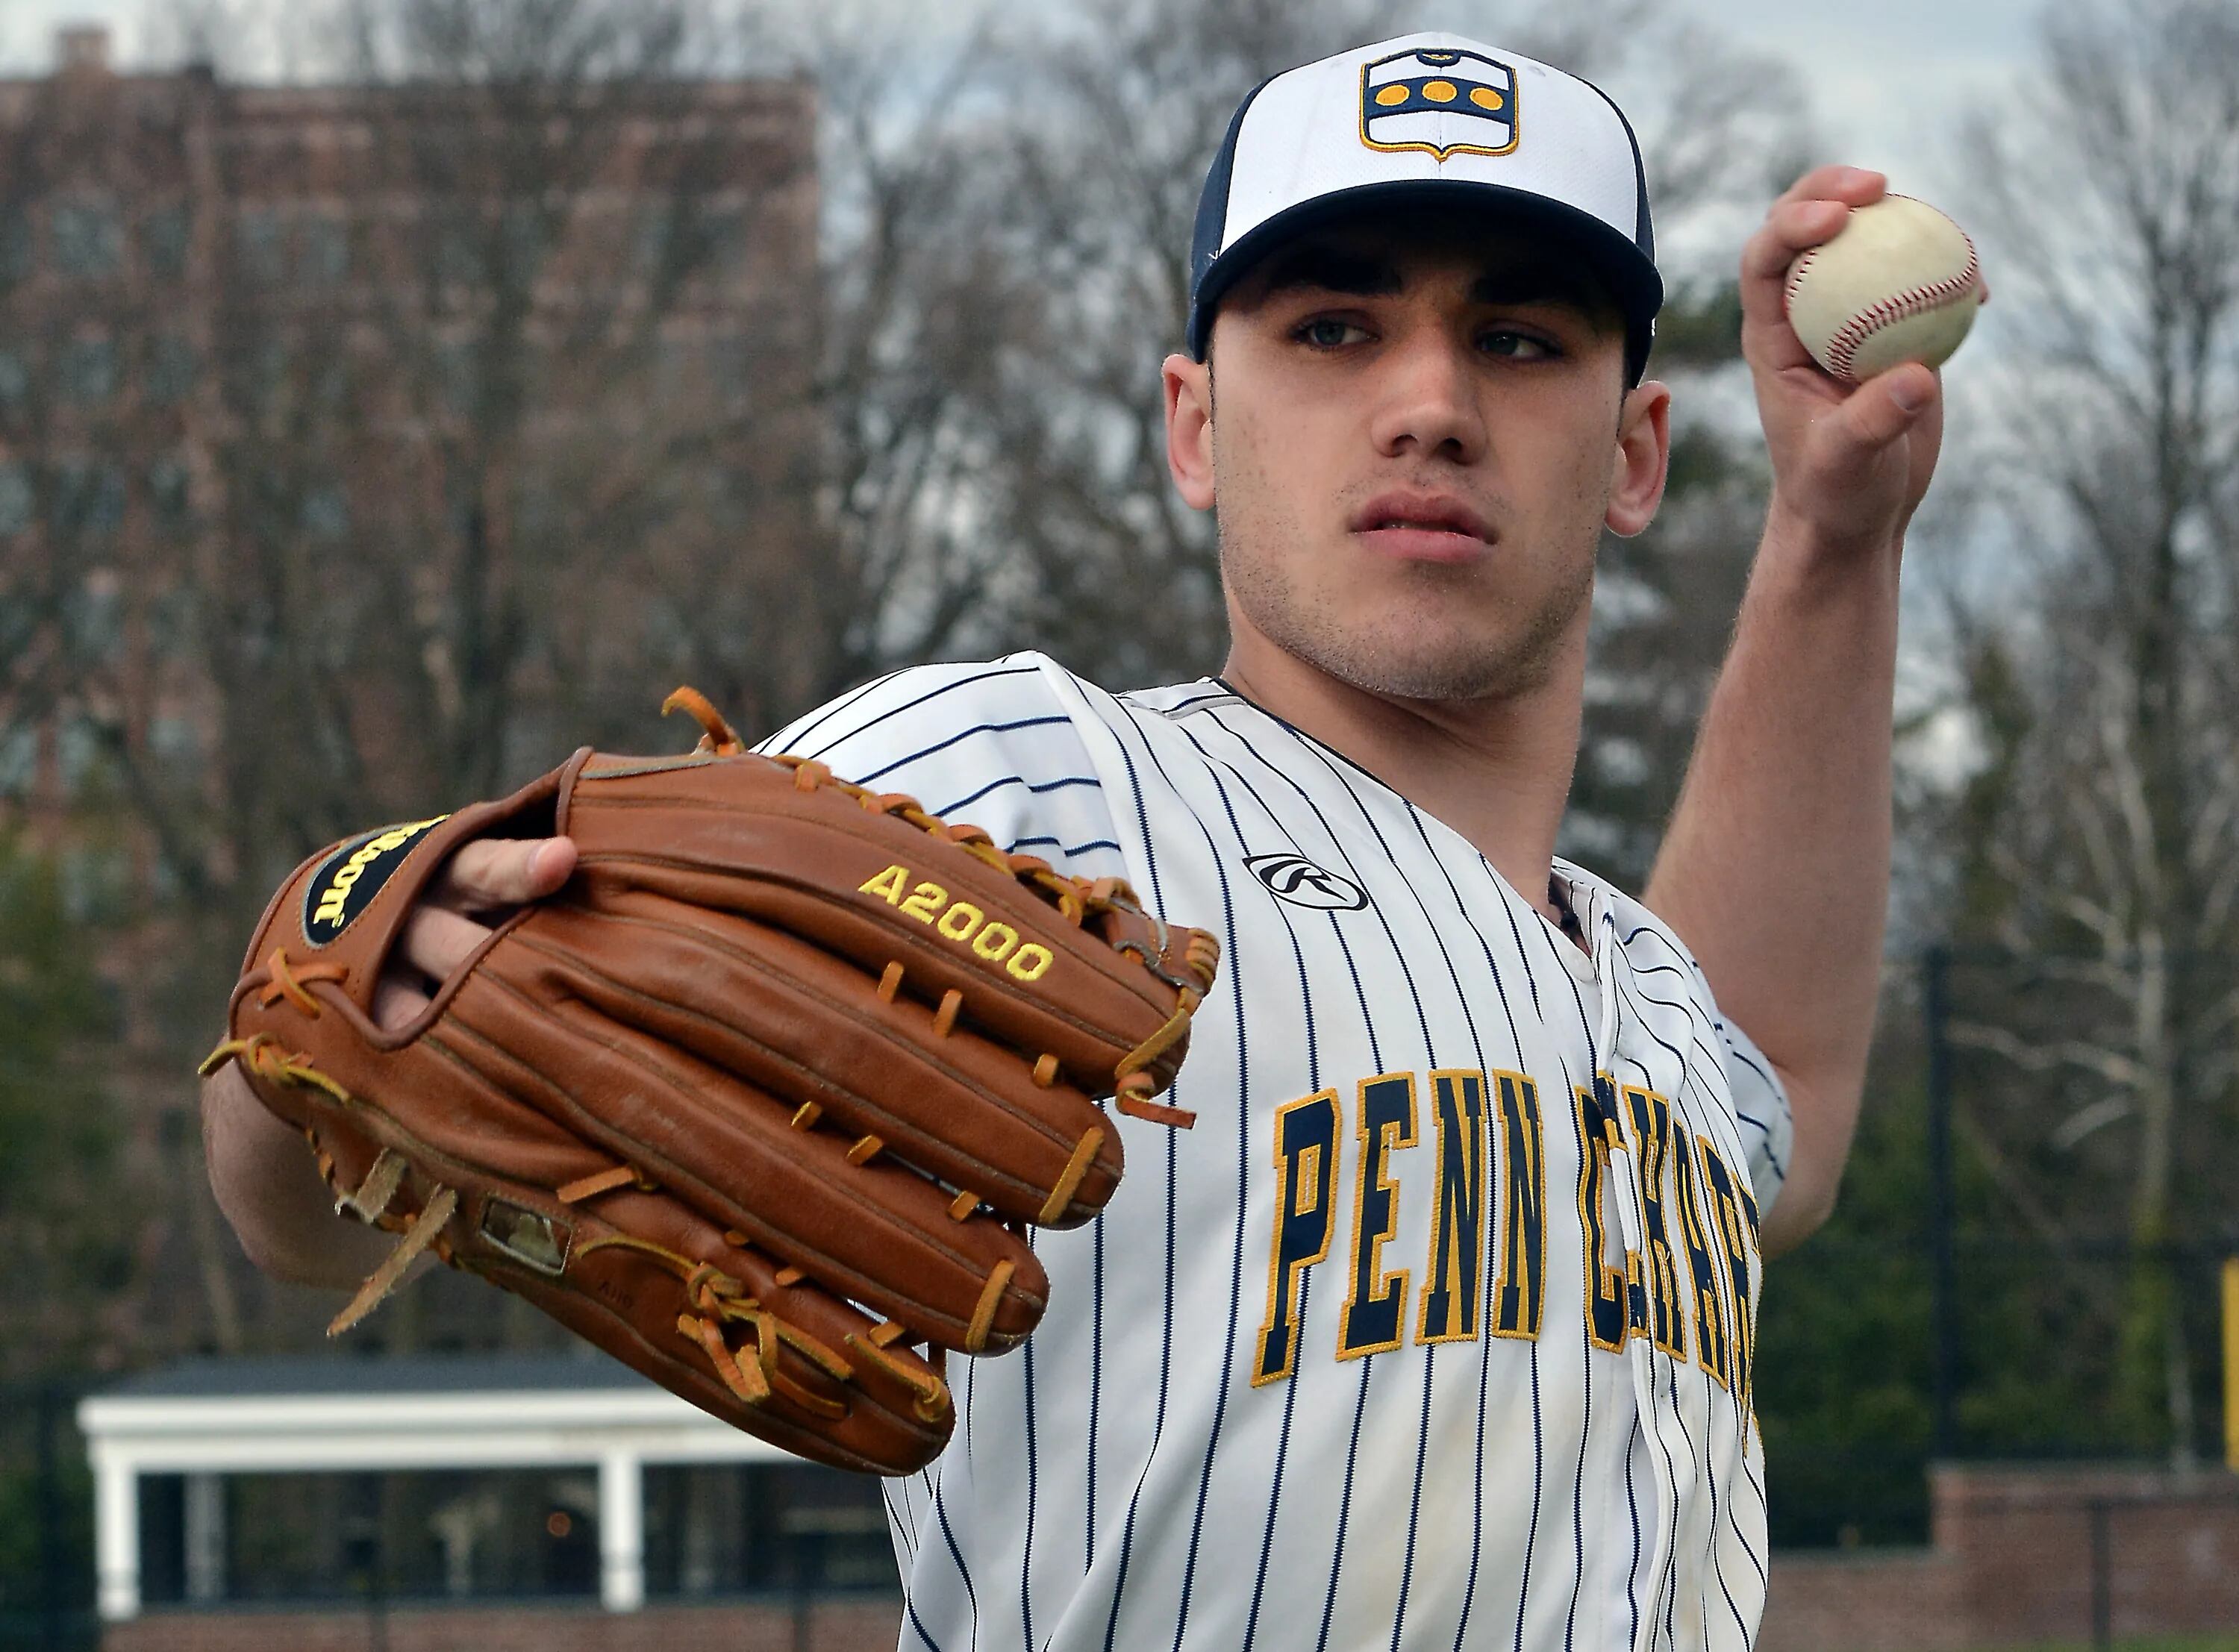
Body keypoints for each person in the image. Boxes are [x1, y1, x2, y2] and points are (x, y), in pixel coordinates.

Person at [202, 31, 1943, 1651]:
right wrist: (358, 968)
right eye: (1334, 328)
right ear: (1195, 425)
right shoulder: (1034, 786)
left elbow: (1779, 1086)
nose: (1429, 401)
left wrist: (1835, 537)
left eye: (1520, 339)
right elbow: (322, 1192)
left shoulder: (1640, 989)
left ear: (1637, 453)